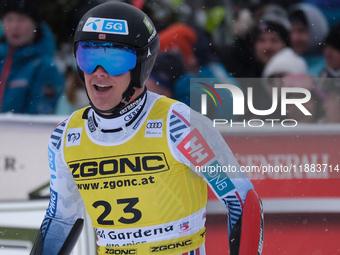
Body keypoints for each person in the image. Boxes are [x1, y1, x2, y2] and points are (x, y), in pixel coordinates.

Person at [30, 2, 263, 255]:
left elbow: (243, 202)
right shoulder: (65, 137)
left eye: (115, 60)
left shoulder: (179, 125)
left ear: (141, 65)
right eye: (89, 57)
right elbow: (61, 221)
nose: (99, 73)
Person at [0, 0, 64, 114]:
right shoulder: (2, 59)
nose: (14, 26)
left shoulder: (45, 67)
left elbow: (37, 122)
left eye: (22, 19)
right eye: (9, 19)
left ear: (35, 24)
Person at [288, 3, 329, 77]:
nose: (294, 38)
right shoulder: (283, 63)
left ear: (316, 31)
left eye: (301, 31)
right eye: (292, 31)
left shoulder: (331, 67)